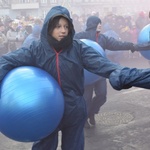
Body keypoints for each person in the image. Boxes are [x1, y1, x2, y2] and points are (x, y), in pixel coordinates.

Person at [0, 6, 150, 150]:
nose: (63, 30)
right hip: (46, 110)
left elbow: (105, 66)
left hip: (74, 110)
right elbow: (6, 61)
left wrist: (122, 75)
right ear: (49, 27)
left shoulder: (78, 48)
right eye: (58, 26)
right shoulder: (37, 49)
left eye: (66, 26)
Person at [74, 15, 150, 127]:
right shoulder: (80, 37)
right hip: (86, 74)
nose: (100, 25)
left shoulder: (102, 38)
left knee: (102, 95)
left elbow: (118, 44)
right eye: (98, 23)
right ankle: (85, 118)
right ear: (92, 24)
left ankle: (92, 112)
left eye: (100, 23)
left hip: (101, 72)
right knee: (86, 99)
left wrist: (135, 46)